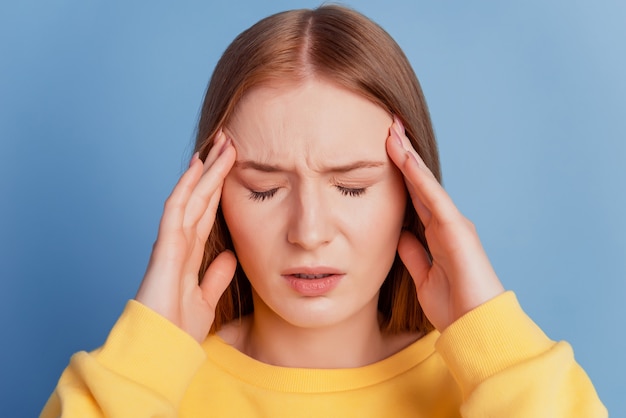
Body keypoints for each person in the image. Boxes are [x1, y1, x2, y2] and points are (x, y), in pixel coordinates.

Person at [41, 5, 606, 417]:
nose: (308, 233)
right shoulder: (146, 391)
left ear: (414, 196)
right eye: (262, 189)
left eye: (353, 187)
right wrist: (148, 352)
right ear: (209, 201)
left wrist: (492, 334)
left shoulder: (492, 389)